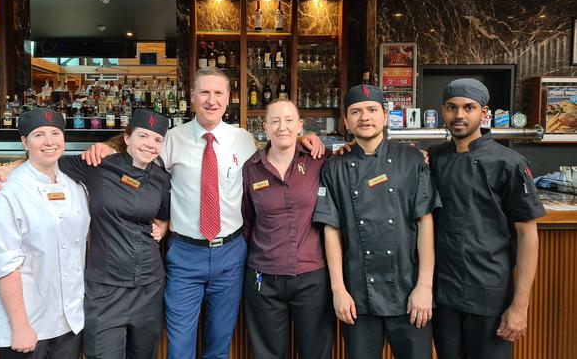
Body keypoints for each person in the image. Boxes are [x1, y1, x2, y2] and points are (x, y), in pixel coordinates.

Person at [82, 66, 324, 359]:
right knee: (180, 345)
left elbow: (277, 147)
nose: (211, 100)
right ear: (192, 96)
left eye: (218, 93)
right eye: (205, 92)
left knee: (219, 344)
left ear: (228, 98)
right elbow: (140, 159)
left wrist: (303, 138)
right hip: (185, 255)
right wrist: (107, 147)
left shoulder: (244, 140)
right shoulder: (171, 138)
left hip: (231, 254)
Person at [0, 108, 172, 359]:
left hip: (146, 287)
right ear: (127, 137)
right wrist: (9, 167)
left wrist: (163, 226)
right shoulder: (96, 166)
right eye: (142, 136)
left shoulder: (161, 178)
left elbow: (163, 214)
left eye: (157, 139)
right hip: (103, 289)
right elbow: (48, 159)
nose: (150, 144)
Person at [313, 84, 440, 359]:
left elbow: (425, 222)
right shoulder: (334, 168)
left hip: (409, 291)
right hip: (358, 294)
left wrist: (424, 287)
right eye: (355, 112)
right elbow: (331, 230)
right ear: (346, 121)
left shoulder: (412, 160)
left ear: (385, 115)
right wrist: (339, 290)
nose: (365, 117)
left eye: (372, 110)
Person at [428, 78, 546, 359]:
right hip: (444, 294)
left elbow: (528, 235)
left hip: (489, 293)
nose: (459, 115)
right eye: (451, 107)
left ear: (484, 113)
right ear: (442, 112)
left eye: (469, 108)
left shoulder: (510, 163)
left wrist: (520, 305)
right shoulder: (434, 158)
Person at [0, 108, 90, 359]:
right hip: (27, 322)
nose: (49, 141)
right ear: (24, 141)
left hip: (69, 319)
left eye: (55, 133)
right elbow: (3, 264)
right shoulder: (5, 192)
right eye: (39, 134)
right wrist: (20, 327)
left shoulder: (75, 185)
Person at [241, 99, 334, 359]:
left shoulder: (319, 160)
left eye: (289, 120)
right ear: (265, 126)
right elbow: (247, 220)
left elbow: (353, 158)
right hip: (264, 278)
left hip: (311, 276)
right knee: (267, 354)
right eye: (275, 121)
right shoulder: (251, 168)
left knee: (316, 352)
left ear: (300, 126)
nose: (283, 127)